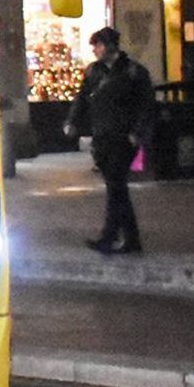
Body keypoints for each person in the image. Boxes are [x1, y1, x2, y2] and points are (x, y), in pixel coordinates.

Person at [64, 26, 157, 255]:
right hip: (102, 137)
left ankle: (109, 236)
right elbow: (82, 99)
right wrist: (72, 121)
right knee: (116, 188)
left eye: (97, 45)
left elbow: (146, 106)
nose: (94, 50)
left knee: (116, 184)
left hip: (124, 138)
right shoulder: (93, 72)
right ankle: (129, 239)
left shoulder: (134, 72)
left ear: (108, 46)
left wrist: (137, 132)